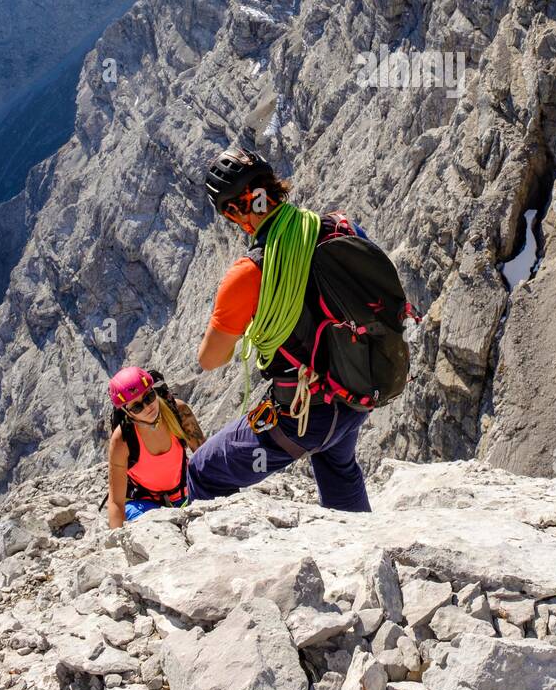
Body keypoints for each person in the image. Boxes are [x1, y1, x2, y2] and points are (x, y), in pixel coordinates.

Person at [186, 147, 373, 512]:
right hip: (356, 395)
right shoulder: (341, 228)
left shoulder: (249, 272)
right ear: (272, 186)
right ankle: (363, 548)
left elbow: (211, 359)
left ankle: (227, 560)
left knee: (204, 470)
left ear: (233, 211)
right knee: (337, 463)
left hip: (303, 416)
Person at [106, 367, 205, 528]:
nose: (147, 407)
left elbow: (205, 458)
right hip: (144, 504)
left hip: (186, 493)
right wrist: (116, 542)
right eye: (137, 407)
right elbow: (116, 501)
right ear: (126, 411)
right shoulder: (122, 440)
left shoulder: (179, 412)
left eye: (149, 396)